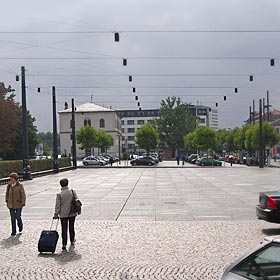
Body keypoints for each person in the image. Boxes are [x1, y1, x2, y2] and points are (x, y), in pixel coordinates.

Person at [53, 178, 80, 250]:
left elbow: (58, 205)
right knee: (71, 227)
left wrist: (56, 214)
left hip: (63, 214)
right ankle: (72, 241)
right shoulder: (72, 191)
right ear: (67, 183)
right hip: (72, 213)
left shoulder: (59, 194)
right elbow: (76, 201)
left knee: (64, 229)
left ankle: (64, 244)